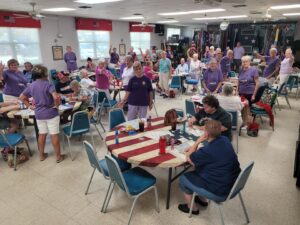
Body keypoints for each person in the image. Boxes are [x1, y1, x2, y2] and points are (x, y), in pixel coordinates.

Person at [178, 119, 240, 214]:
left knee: (183, 179)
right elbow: (214, 155)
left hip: (220, 192)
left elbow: (189, 158)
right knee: (200, 168)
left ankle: (193, 208)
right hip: (234, 183)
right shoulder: (225, 140)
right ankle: (203, 200)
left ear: (206, 133)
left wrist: (197, 142)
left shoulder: (207, 150)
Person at [19, 65, 64, 162]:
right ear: (44, 74)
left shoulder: (31, 85)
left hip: (39, 113)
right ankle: (58, 157)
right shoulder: (48, 84)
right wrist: (56, 106)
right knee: (54, 134)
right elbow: (56, 97)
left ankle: (41, 155)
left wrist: (29, 106)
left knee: (42, 134)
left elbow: (22, 97)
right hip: (51, 113)